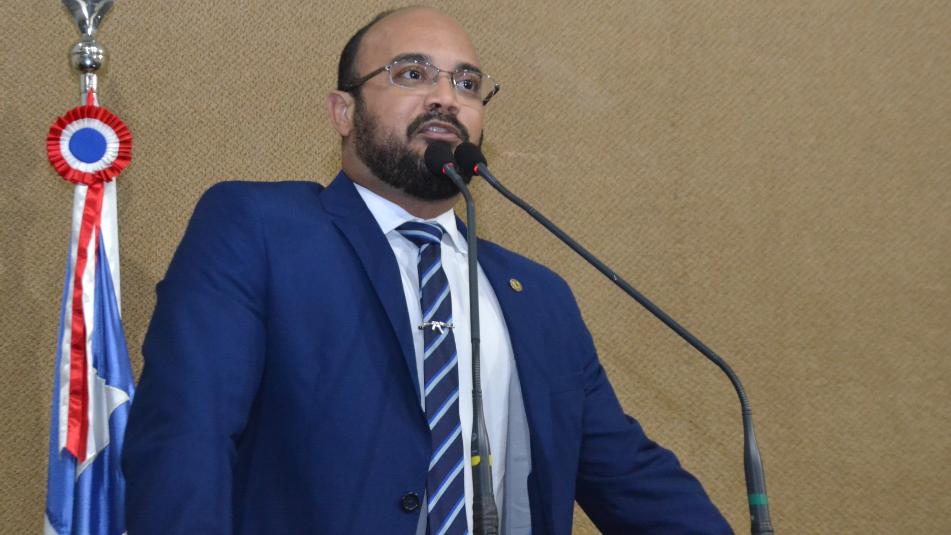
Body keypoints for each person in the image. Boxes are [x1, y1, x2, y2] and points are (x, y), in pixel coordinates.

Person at [122, 7, 732, 534]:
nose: (446, 97)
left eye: (467, 84)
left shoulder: (540, 296)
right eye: (412, 74)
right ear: (343, 111)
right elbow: (186, 437)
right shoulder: (261, 230)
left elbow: (629, 476)